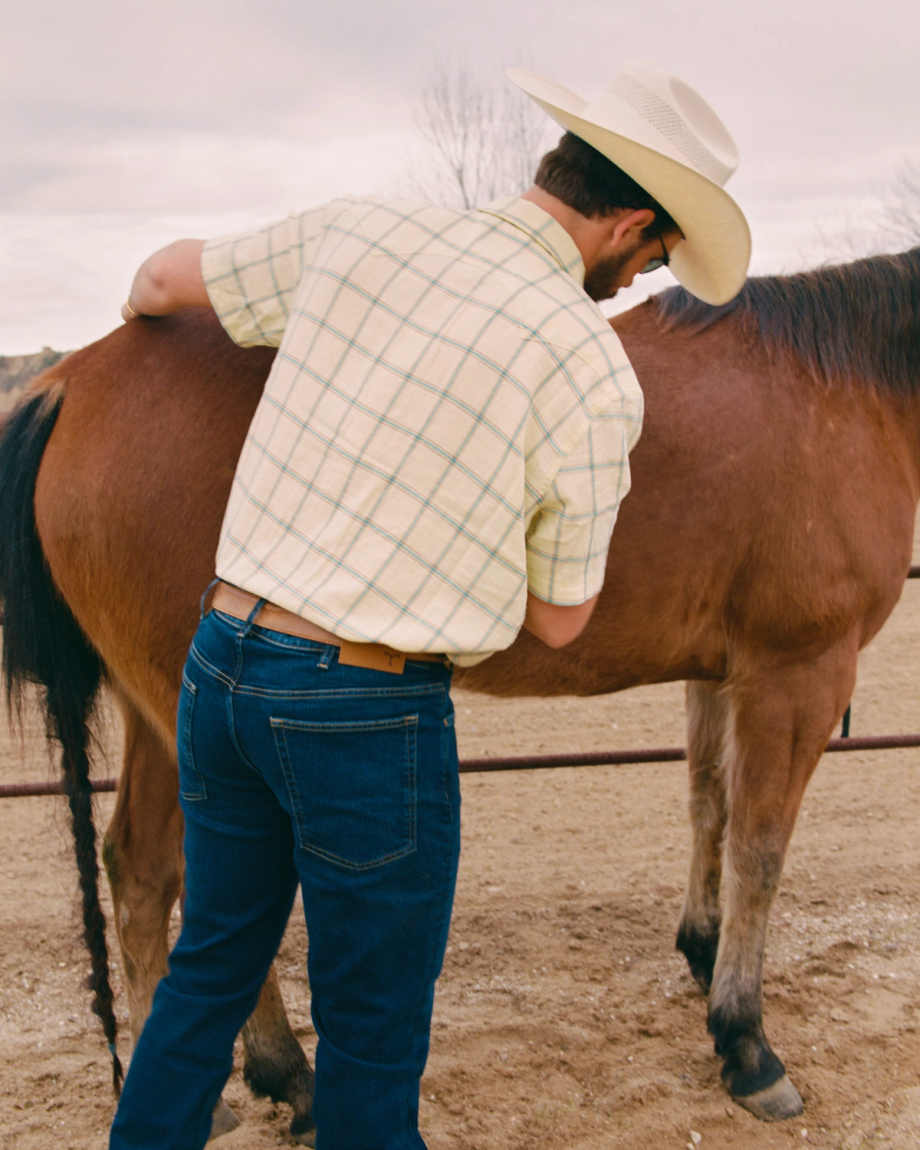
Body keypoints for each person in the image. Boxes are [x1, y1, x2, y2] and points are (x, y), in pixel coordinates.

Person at [109, 61, 750, 1150]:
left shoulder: (364, 232)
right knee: (371, 1035)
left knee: (209, 967)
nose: (646, 279)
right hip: (364, 712)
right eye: (654, 254)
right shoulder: (588, 370)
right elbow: (558, 621)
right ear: (626, 223)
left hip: (219, 662)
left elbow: (162, 279)